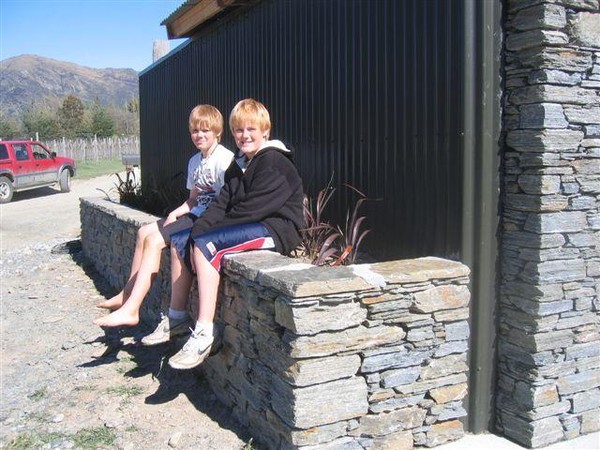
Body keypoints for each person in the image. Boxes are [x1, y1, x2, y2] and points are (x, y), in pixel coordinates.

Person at [141, 98, 305, 370]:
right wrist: (198, 229)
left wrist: (206, 236)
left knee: (207, 246)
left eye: (251, 129)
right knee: (182, 240)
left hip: (275, 228)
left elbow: (253, 210)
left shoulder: (275, 161)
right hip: (249, 222)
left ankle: (205, 332)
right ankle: (176, 317)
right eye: (239, 130)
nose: (244, 135)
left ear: (266, 130)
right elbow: (221, 204)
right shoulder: (238, 164)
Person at [94, 104, 235, 328]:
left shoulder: (224, 160)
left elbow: (226, 201)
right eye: (195, 131)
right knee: (143, 232)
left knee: (154, 241)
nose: (199, 135)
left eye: (205, 130)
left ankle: (132, 310)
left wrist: (191, 219)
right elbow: (194, 198)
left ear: (217, 131)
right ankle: (126, 294)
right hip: (194, 213)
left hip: (207, 220)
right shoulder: (195, 161)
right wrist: (176, 212)